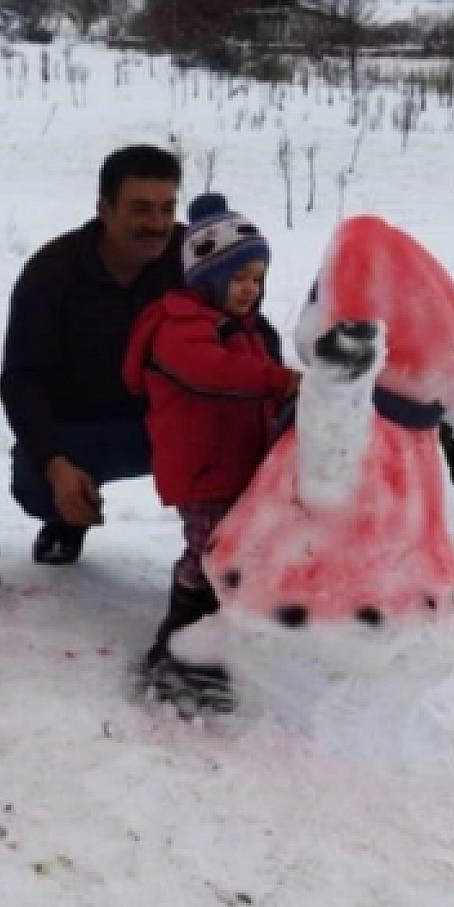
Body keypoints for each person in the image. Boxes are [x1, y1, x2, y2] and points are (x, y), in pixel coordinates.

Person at [122, 191, 300, 696]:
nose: (249, 290)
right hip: (201, 470)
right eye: (238, 279)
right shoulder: (178, 327)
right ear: (206, 278)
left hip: (236, 465)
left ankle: (216, 643)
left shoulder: (244, 329)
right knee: (206, 554)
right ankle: (175, 646)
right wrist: (278, 380)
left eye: (257, 280)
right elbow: (214, 374)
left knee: (233, 550)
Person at [0, 143, 186, 564]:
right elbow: (21, 380)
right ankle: (67, 516)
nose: (157, 224)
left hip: (174, 422)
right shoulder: (52, 273)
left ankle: (213, 554)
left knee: (250, 440)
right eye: (140, 209)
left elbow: (250, 332)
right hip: (83, 430)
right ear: (104, 208)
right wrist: (54, 463)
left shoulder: (194, 258)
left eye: (166, 208)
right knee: (36, 483)